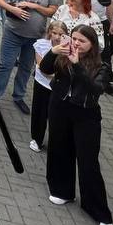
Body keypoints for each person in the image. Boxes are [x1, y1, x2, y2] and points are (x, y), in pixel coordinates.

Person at [41, 24, 113, 225]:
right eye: (74, 38)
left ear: (92, 44)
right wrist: (53, 51)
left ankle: (98, 211)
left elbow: (96, 89)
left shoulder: (102, 66)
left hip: (86, 115)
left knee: (88, 161)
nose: (76, 43)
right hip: (60, 107)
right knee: (59, 148)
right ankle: (62, 190)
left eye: (82, 40)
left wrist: (78, 65)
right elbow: (45, 69)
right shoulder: (63, 55)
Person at [0, 0, 60, 115]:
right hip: (12, 32)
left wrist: (34, 6)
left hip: (35, 36)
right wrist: (12, 9)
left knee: (26, 67)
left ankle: (19, 96)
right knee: (5, 65)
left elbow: (53, 10)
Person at [30, 20, 69, 152]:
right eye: (54, 33)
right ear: (49, 33)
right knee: (39, 112)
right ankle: (37, 139)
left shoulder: (67, 49)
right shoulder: (41, 44)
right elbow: (41, 66)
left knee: (56, 116)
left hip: (56, 88)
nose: (57, 37)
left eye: (61, 34)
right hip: (41, 84)